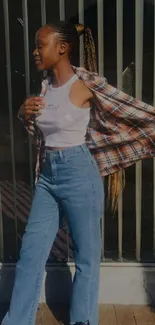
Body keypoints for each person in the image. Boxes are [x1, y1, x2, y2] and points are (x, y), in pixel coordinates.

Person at [2, 20, 155, 325]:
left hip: (80, 174)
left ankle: (82, 320)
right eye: (35, 45)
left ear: (62, 48)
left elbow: (132, 111)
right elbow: (44, 134)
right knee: (31, 253)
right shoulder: (45, 87)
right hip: (48, 177)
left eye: (39, 45)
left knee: (86, 256)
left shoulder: (87, 84)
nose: (34, 51)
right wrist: (23, 114)